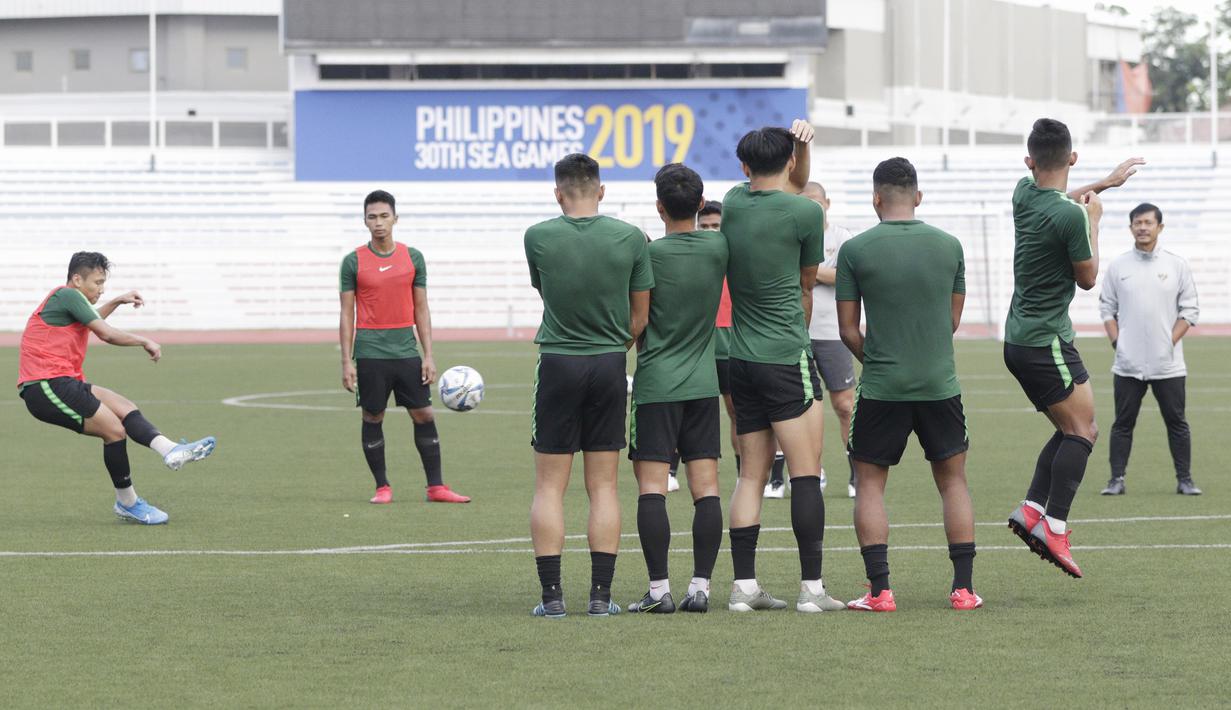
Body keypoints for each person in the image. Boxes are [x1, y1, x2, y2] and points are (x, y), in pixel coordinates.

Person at [836, 158, 981, 612]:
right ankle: (963, 590)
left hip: (882, 387)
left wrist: (878, 359)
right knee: (953, 483)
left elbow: (847, 330)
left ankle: (880, 592)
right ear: (917, 197)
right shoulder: (949, 245)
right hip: (940, 384)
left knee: (871, 485)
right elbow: (951, 320)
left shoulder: (855, 249)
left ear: (876, 197)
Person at [1003, 118, 1143, 579]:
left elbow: (1056, 197)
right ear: (1073, 157)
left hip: (1020, 338)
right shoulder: (1072, 216)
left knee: (1071, 427)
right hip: (1047, 341)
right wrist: (1096, 221)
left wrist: (1105, 183)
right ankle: (1054, 525)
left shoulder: (1024, 194)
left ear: (1030, 161)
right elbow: (1087, 279)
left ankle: (1030, 510)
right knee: (1083, 430)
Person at [722, 120, 845, 613]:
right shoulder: (804, 214)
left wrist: (797, 152)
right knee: (806, 473)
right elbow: (808, 280)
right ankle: (812, 589)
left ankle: (743, 587)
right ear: (792, 162)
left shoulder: (731, 203)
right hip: (785, 354)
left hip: (741, 357)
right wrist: (802, 148)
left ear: (744, 166)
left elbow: (780, 185)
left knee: (751, 475)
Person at [525, 153, 654, 619]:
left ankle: (552, 598)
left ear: (558, 193)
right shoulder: (629, 237)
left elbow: (546, 290)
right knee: (603, 486)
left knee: (549, 487)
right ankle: (601, 597)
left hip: (558, 360)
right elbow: (639, 314)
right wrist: (616, 339)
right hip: (608, 362)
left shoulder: (537, 236)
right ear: (601, 190)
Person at [17, 252, 216, 525]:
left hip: (63, 381)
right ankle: (128, 502)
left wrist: (117, 301)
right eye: (97, 283)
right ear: (77, 279)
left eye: (103, 284)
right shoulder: (68, 294)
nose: (101, 289)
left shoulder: (70, 301)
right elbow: (105, 333)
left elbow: (92, 317)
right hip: (45, 385)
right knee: (113, 431)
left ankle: (169, 449)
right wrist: (144, 341)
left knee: (123, 406)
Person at [626, 164, 728, 614]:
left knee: (652, 489)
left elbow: (639, 322)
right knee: (706, 489)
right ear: (701, 205)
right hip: (703, 383)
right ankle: (701, 586)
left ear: (659, 207)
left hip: (656, 385)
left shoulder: (646, 256)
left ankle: (658, 590)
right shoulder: (718, 247)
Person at [340, 190, 469, 506]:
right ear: (365, 221)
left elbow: (421, 308)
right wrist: (347, 360)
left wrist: (428, 354)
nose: (379, 222)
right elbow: (346, 313)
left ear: (395, 218)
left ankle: (436, 487)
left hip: (406, 352)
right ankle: (382, 487)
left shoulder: (413, 258)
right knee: (373, 416)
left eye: (384, 216)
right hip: (370, 352)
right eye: (372, 217)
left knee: (424, 414)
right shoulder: (353, 261)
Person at [1098, 203, 1201, 496]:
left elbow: (1190, 309)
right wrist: (1118, 343)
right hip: (1127, 364)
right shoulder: (1119, 266)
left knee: (1177, 423)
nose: (1142, 227)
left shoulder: (1176, 265)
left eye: (1148, 222)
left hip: (1168, 365)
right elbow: (1107, 306)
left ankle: (1185, 480)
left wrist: (1168, 342)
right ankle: (1116, 480)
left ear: (1160, 227)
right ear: (1130, 227)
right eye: (1137, 222)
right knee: (1122, 424)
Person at [804, 181, 858, 499]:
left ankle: (856, 473)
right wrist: (824, 271)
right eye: (806, 202)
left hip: (833, 334)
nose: (812, 207)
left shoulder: (841, 238)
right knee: (804, 409)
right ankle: (814, 472)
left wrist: (810, 272)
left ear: (828, 202)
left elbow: (846, 277)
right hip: (799, 334)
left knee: (845, 406)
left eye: (816, 202)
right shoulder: (796, 237)